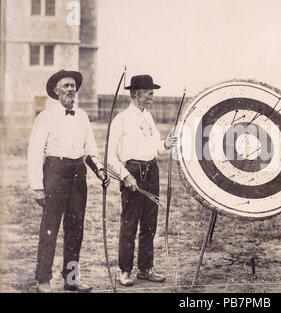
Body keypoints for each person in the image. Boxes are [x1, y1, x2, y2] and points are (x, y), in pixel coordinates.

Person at [28, 70, 108, 293]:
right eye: (66, 86)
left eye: (73, 85)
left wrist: (100, 170)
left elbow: (90, 149)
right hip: (54, 173)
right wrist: (37, 187)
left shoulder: (82, 116)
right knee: (50, 229)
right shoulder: (45, 117)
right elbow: (35, 153)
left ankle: (71, 279)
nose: (71, 89)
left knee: (75, 229)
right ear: (56, 90)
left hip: (77, 174)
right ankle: (43, 280)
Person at [108, 74, 177, 287]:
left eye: (152, 93)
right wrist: (125, 175)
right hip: (133, 173)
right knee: (129, 224)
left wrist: (166, 144)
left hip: (152, 171)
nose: (152, 97)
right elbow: (110, 155)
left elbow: (155, 145)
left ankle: (146, 269)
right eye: (149, 93)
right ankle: (125, 271)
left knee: (150, 224)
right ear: (136, 94)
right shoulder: (120, 119)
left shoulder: (148, 117)